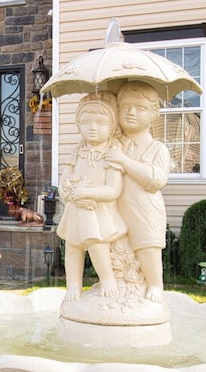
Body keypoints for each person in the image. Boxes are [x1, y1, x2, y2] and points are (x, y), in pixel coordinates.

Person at [57, 91, 127, 301]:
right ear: (79, 126)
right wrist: (69, 192)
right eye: (86, 122)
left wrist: (88, 192)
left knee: (97, 244)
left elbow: (113, 190)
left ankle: (107, 278)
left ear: (112, 127)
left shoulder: (112, 155)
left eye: (100, 123)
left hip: (100, 212)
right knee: (72, 247)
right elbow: (64, 181)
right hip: (76, 209)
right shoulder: (76, 152)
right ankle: (73, 285)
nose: (93, 128)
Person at [105, 81, 170, 303]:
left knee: (146, 246)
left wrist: (124, 161)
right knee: (114, 247)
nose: (131, 113)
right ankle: (117, 280)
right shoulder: (112, 144)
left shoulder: (157, 149)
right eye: (126, 107)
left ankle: (154, 284)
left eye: (140, 108)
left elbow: (155, 180)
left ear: (153, 114)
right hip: (116, 205)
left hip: (145, 209)